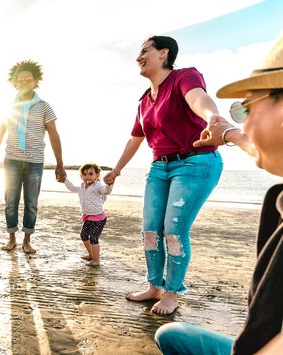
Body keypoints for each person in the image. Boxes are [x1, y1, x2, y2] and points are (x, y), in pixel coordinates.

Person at [155, 32, 283, 355]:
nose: (247, 122)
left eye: (247, 107)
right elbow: (259, 151)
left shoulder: (184, 78)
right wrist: (229, 133)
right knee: (172, 335)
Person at [103, 36, 224, 315]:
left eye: (145, 50)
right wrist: (117, 169)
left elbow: (198, 98)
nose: (139, 57)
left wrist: (212, 117)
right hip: (160, 167)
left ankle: (172, 293)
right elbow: (135, 139)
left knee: (173, 231)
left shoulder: (184, 77)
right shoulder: (145, 101)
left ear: (163, 53)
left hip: (196, 163)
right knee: (149, 230)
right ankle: (154, 286)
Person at [0, 60, 66, 254]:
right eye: (20, 79)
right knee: (10, 202)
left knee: (31, 204)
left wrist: (60, 163)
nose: (24, 82)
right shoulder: (9, 107)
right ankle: (11, 237)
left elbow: (54, 134)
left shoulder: (44, 106)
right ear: (15, 82)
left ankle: (27, 240)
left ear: (35, 81)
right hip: (11, 160)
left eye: (28, 79)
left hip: (35, 162)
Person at [61, 163, 113, 267]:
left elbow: (106, 191)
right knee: (84, 235)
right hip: (88, 216)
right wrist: (65, 180)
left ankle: (96, 260)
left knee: (94, 238)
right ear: (81, 176)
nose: (87, 176)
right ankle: (91, 255)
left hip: (98, 218)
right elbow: (72, 188)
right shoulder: (81, 187)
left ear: (97, 175)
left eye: (90, 174)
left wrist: (109, 184)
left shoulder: (98, 186)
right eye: (84, 174)